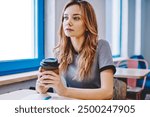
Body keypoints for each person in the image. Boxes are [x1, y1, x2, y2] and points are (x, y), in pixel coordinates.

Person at [36, 0, 116, 100]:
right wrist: (42, 85)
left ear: (87, 25)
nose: (68, 22)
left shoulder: (102, 46)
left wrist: (64, 91)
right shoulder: (61, 52)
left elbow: (107, 93)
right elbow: (42, 89)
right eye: (65, 18)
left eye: (76, 18)